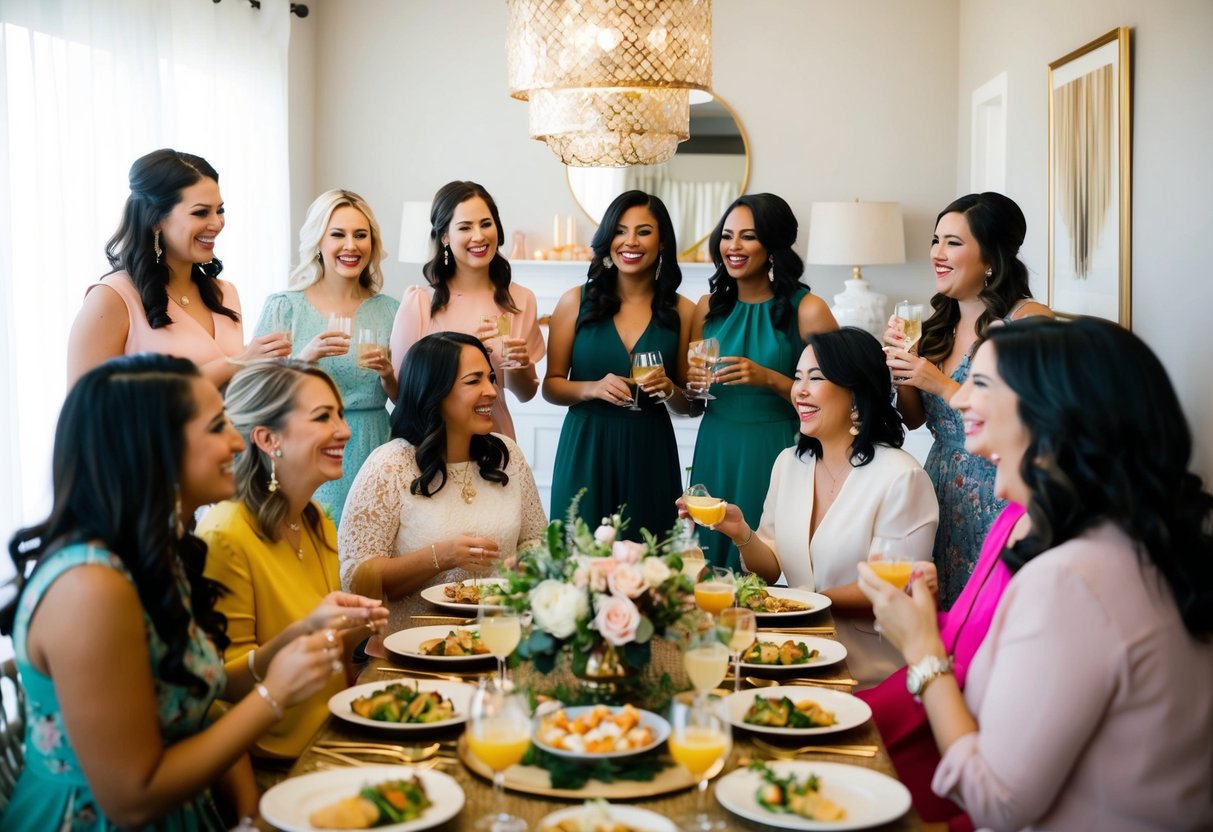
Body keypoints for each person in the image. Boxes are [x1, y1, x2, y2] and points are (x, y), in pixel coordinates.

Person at [860, 318, 1213, 831]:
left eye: (980, 384)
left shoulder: (1072, 581)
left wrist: (923, 654)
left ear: (1054, 415)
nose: (957, 402)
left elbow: (996, 804)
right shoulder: (1136, 550)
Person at [0, 354, 365, 830]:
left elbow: (198, 685)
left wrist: (299, 633)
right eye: (217, 427)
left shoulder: (156, 555)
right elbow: (132, 798)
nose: (237, 441)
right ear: (154, 447)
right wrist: (274, 694)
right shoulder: (90, 588)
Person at [700, 328, 938, 688]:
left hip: (870, 671)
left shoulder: (902, 477)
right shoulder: (789, 464)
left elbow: (890, 589)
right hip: (796, 658)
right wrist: (740, 532)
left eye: (816, 379)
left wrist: (796, 604)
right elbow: (769, 568)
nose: (800, 391)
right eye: (797, 379)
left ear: (856, 396)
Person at [197, 360, 388, 759]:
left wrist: (360, 622)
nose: (345, 430)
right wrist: (305, 632)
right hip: (271, 757)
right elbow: (218, 689)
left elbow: (330, 653)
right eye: (323, 417)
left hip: (336, 733)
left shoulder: (314, 518)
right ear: (267, 439)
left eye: (340, 414)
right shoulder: (226, 534)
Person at [884, 192, 1052, 608]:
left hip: (1000, 489)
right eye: (936, 241)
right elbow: (916, 420)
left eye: (953, 243)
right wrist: (902, 368)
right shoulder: (936, 324)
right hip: (939, 486)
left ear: (991, 257)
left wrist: (939, 382)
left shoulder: (1028, 320)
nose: (938, 254)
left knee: (991, 614)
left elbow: (1030, 422)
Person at [340, 332, 547, 633]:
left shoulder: (507, 455)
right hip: (415, 644)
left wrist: (527, 566)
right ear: (433, 391)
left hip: (502, 636)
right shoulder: (390, 465)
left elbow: (535, 541)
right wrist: (442, 556)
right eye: (474, 381)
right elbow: (356, 577)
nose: (491, 391)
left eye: (490, 378)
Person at [688, 193, 837, 570]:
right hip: (716, 444)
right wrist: (686, 385)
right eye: (727, 235)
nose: (733, 246)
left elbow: (840, 397)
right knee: (710, 555)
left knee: (767, 554)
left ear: (772, 245)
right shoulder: (707, 308)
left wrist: (768, 378)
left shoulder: (808, 308)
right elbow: (690, 402)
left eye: (748, 236)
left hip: (776, 447)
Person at [544, 190, 696, 538]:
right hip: (586, 446)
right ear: (607, 238)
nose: (630, 241)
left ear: (662, 243)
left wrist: (670, 389)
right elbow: (551, 385)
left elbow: (692, 404)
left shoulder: (684, 311)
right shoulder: (574, 302)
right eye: (620, 230)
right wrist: (591, 387)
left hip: (650, 448)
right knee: (577, 559)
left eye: (643, 231)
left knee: (650, 566)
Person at [66, 149, 287, 388]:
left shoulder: (225, 294)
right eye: (201, 212)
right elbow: (85, 409)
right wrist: (239, 361)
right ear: (157, 220)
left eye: (220, 210)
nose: (217, 223)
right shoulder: (113, 298)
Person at [254, 190, 400, 524]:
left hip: (373, 443)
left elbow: (405, 398)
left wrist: (389, 375)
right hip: (306, 446)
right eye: (338, 234)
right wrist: (304, 360)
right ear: (319, 241)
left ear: (372, 244)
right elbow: (257, 395)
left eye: (360, 235)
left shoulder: (391, 311)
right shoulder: (284, 307)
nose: (351, 246)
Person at [388, 181, 544, 440]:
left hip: (494, 437)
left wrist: (521, 365)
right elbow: (400, 394)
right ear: (446, 237)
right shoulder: (420, 302)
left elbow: (524, 395)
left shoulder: (520, 300)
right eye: (465, 227)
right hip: (432, 441)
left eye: (486, 224)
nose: (479, 236)